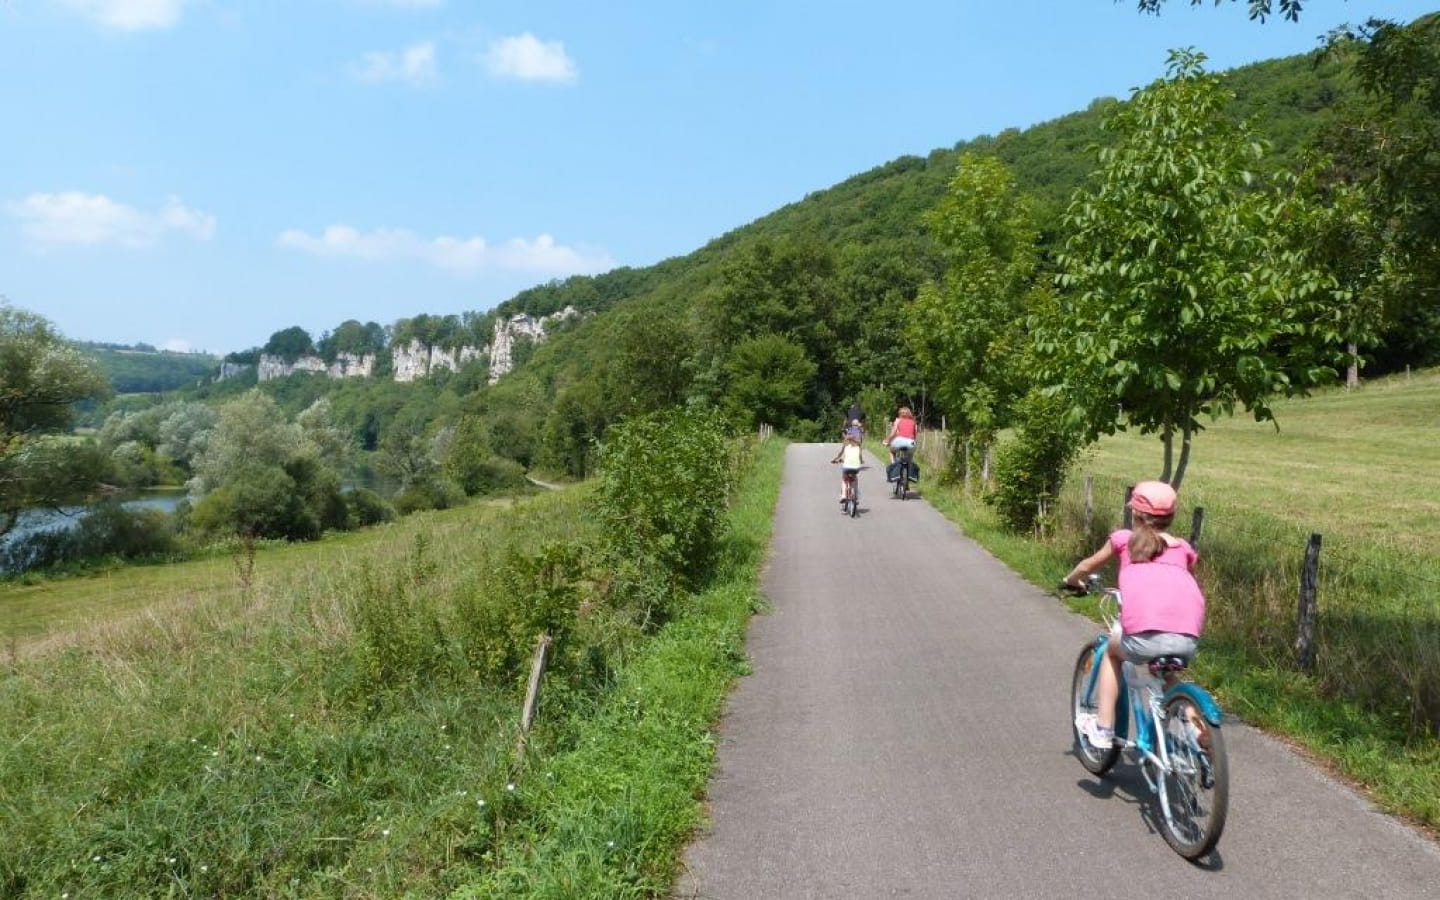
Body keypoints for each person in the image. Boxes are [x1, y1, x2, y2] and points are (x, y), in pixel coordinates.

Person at [1062, 480, 1206, 750]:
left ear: (1135, 514)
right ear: (1171, 517)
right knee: (1165, 674)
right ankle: (1198, 729)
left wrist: (1071, 580)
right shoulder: (1183, 548)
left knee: (1111, 653)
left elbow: (1086, 566)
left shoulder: (1123, 541)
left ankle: (1103, 728)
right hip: (1187, 636)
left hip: (1145, 637)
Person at [830, 433, 864, 508]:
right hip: (856, 467)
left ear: (847, 439)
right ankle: (855, 494)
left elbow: (839, 455)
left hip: (847, 466)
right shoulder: (858, 446)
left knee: (844, 479)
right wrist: (861, 461)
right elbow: (860, 457)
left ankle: (844, 496)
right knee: (855, 478)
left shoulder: (845, 445)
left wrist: (834, 460)